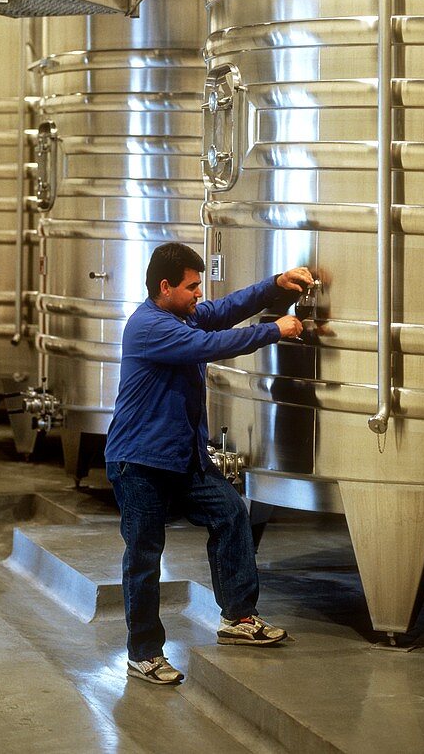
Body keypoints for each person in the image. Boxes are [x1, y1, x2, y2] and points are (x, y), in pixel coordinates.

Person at [105, 241, 313, 686]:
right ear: (165, 286)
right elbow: (213, 344)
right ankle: (143, 653)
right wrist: (275, 330)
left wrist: (273, 285)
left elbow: (224, 310)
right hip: (139, 461)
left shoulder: (182, 314)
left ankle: (238, 617)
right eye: (192, 287)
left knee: (231, 512)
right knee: (144, 555)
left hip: (181, 456)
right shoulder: (150, 326)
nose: (199, 294)